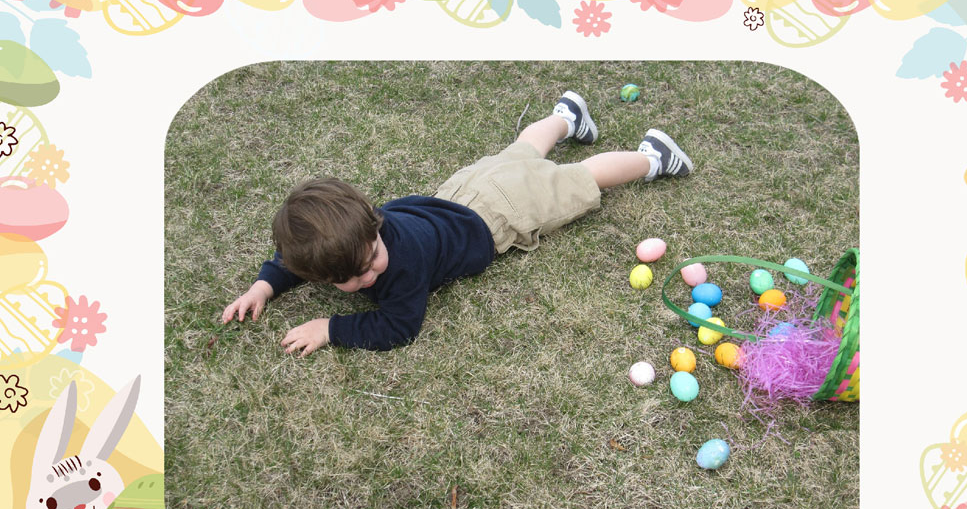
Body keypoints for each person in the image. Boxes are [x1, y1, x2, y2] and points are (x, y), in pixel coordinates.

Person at [220, 91, 693, 355]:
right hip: (463, 190)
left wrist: (331, 327)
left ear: (373, 224)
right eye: (353, 278)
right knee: (522, 152)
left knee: (579, 180)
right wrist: (265, 287)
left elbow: (398, 327)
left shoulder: (400, 264)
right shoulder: (354, 235)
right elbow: (291, 260)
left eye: (371, 259)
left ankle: (653, 158)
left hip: (499, 215)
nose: (371, 276)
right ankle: (566, 117)